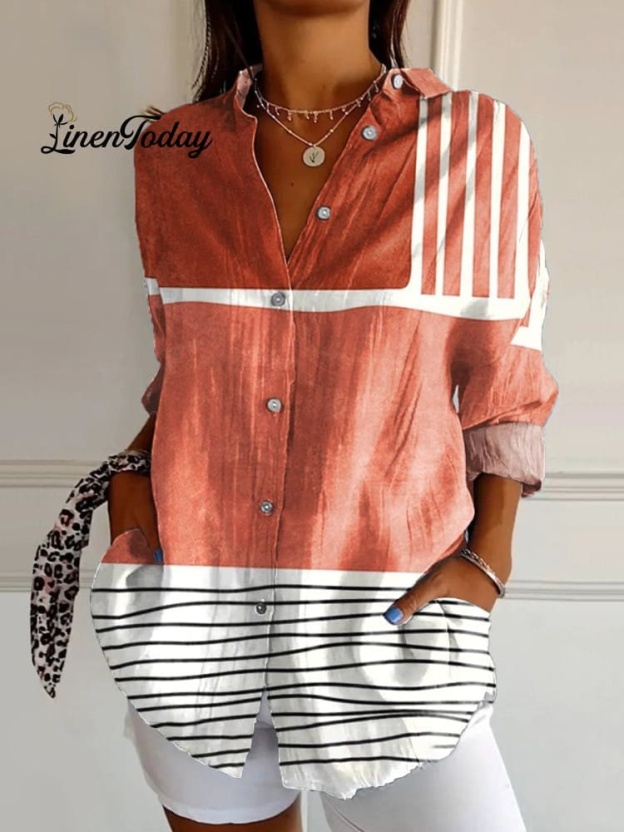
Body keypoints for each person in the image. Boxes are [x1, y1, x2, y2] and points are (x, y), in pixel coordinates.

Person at [103, 1, 558, 830]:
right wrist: (131, 478)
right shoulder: (174, 151)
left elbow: (506, 379)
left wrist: (489, 560)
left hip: (391, 627)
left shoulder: (476, 142)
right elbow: (189, 365)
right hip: (195, 617)